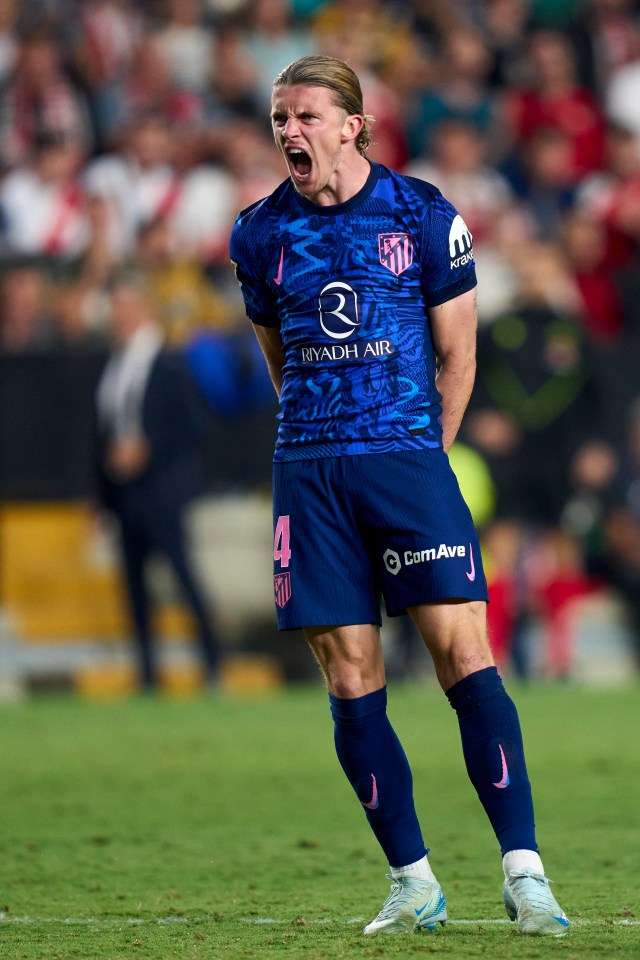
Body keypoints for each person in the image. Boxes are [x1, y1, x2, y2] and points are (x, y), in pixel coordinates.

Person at [229, 55, 569, 938]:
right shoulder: (259, 232)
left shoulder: (420, 214)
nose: (289, 132)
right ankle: (413, 879)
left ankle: (525, 873)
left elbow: (459, 353)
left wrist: (425, 455)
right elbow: (280, 355)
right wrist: (320, 434)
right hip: (310, 468)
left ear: (352, 123)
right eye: (279, 118)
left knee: (464, 655)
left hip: (406, 461)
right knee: (350, 676)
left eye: (306, 115)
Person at [94, 271, 220, 690]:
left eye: (126, 307)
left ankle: (213, 666)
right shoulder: (114, 364)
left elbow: (192, 425)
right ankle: (147, 674)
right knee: (134, 591)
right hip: (127, 496)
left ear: (144, 310)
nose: (119, 316)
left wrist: (148, 448)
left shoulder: (167, 360)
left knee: (185, 580)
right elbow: (104, 431)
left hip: (162, 492)